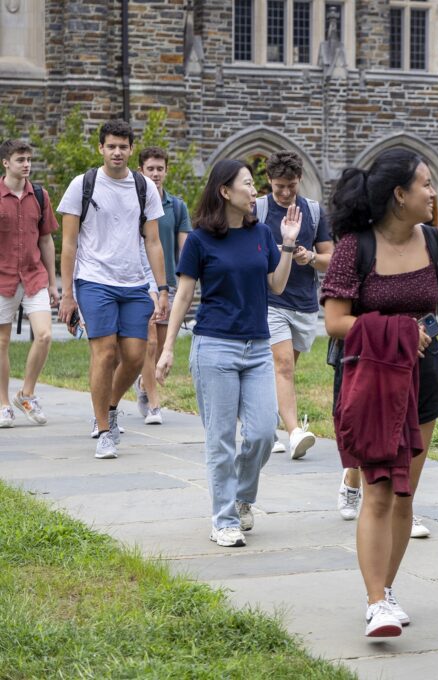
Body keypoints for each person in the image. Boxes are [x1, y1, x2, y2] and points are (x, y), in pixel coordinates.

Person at [321, 147, 438, 638]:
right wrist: (401, 330)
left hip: (425, 378)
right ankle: (374, 601)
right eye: (426, 184)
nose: (433, 193)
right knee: (379, 489)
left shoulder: (437, 244)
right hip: (371, 378)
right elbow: (334, 321)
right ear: (399, 195)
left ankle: (385, 593)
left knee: (405, 492)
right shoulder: (354, 247)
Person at [156, 159, 300, 548]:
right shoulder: (201, 239)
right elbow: (185, 295)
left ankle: (241, 498)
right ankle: (223, 520)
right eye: (248, 184)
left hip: (256, 347)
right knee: (220, 439)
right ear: (225, 191)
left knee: (263, 434)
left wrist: (287, 243)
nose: (255, 192)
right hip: (214, 347)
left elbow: (277, 284)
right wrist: (168, 348)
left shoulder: (261, 235)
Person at [57, 119, 169, 460]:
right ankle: (105, 430)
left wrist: (162, 288)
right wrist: (67, 293)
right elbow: (69, 242)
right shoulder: (83, 184)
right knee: (105, 352)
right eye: (111, 146)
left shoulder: (143, 187)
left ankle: (109, 405)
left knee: (136, 357)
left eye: (123, 146)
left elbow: (153, 241)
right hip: (93, 280)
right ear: (101, 148)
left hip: (134, 282)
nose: (117, 151)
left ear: (131, 149)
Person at [256, 151, 334, 459]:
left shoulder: (314, 212)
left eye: (291, 185)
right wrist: (276, 252)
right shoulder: (259, 209)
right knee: (283, 366)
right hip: (270, 301)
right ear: (269, 182)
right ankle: (294, 433)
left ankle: (266, 424)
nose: (285, 193)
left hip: (304, 304)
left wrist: (310, 257)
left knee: (283, 370)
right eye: (279, 187)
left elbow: (332, 259)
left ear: (299, 180)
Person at [0, 139, 58, 428]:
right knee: (2, 342)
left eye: (29, 159)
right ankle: (2, 403)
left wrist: (53, 283)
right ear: (6, 163)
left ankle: (26, 393)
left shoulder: (39, 195)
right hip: (2, 277)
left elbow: (46, 238)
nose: (26, 164)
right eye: (20, 159)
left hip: (35, 276)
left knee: (45, 335)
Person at [134, 146, 193, 425]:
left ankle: (145, 386)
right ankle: (155, 405)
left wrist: (184, 285)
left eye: (160, 168)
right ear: (141, 171)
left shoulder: (177, 206)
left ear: (166, 171)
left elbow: (185, 250)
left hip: (167, 283)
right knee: (150, 342)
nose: (156, 174)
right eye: (150, 169)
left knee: (158, 347)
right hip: (139, 282)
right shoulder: (133, 202)